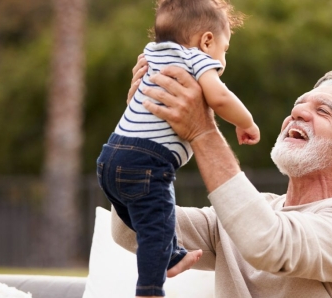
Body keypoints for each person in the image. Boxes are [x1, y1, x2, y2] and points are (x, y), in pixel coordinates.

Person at [111, 61, 332, 297]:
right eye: (298, 105)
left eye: (323, 111)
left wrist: (202, 130)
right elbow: (131, 230)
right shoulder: (254, 212)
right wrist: (141, 129)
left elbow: (267, 243)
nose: (297, 113)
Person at [96, 0, 259, 297]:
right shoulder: (196, 59)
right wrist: (246, 123)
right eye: (225, 49)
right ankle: (149, 290)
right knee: (155, 229)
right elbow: (220, 98)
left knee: (152, 217)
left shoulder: (151, 53)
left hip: (109, 158)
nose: (223, 58)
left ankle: (171, 254)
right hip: (147, 161)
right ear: (207, 40)